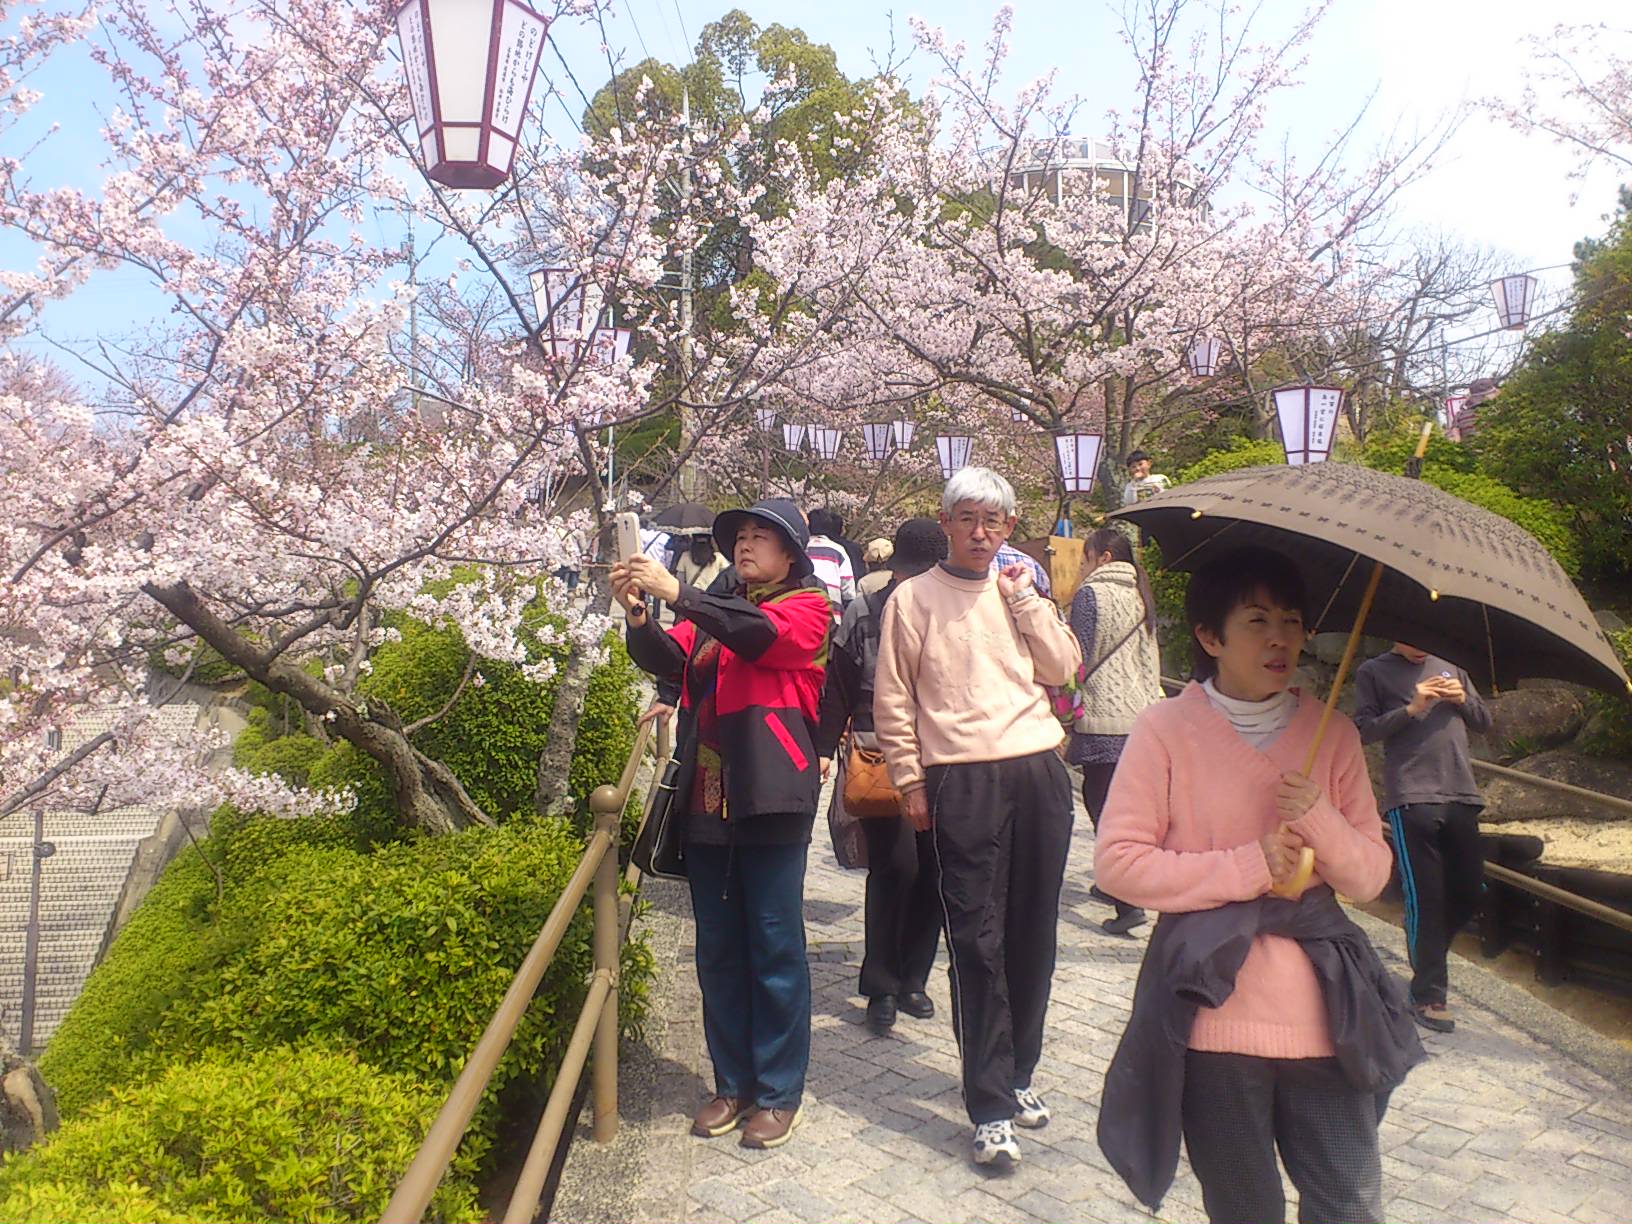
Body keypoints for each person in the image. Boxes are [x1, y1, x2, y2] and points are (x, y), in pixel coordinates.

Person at [1095, 547, 1403, 1224]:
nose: (1280, 639)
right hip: (1212, 1012)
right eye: (1258, 621)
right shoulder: (1166, 729)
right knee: (1244, 1209)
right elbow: (1118, 862)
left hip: (1326, 1013)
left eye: (1292, 622)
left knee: (1349, 1201)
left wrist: (1318, 817)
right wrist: (1247, 865)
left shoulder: (1336, 734)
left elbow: (1372, 876)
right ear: (1210, 637)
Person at [874, 466, 1082, 1169]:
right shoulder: (913, 598)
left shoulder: (1019, 590)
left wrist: (1027, 605)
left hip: (1038, 770)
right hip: (961, 777)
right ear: (946, 522)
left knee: (1034, 934)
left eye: (994, 521)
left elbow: (1062, 670)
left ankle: (1019, 1074)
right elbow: (895, 698)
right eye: (968, 518)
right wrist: (909, 779)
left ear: (1008, 528)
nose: (981, 532)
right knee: (976, 938)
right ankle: (989, 1105)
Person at [612, 499, 831, 1152]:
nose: (745, 544)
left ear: (791, 554)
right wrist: (638, 612)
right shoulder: (717, 609)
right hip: (707, 798)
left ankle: (778, 1091)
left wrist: (677, 590)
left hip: (772, 797)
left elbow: (758, 637)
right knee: (718, 949)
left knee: (775, 949)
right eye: (740, 535)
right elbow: (668, 657)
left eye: (762, 536)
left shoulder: (808, 608)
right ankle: (731, 1082)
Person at [816, 518, 949, 1034]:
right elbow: (841, 682)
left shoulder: (953, 609)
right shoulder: (867, 608)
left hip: (944, 756)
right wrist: (825, 748)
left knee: (935, 869)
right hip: (879, 753)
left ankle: (914, 977)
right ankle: (881, 984)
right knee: (896, 867)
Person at [1354, 643, 1493, 1033]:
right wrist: (1411, 709)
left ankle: (1425, 945)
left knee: (1470, 891)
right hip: (1412, 796)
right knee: (1426, 898)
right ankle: (1428, 995)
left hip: (1461, 792)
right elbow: (1362, 729)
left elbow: (1484, 721)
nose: (1419, 647)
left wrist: (1464, 698)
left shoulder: (1452, 664)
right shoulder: (1374, 671)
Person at [1066, 528, 1164, 936]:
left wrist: (1064, 704)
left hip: (1104, 713)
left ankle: (1128, 900)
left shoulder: (1092, 594)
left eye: (1086, 558)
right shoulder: (1141, 593)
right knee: (1122, 803)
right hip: (1139, 715)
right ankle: (1114, 883)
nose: (1083, 566)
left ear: (1103, 557)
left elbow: (1078, 656)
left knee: (1101, 802)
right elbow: (1149, 655)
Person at [805, 508, 856, 621]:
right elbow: (848, 590)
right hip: (832, 614)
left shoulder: (801, 548)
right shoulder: (838, 550)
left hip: (803, 612)